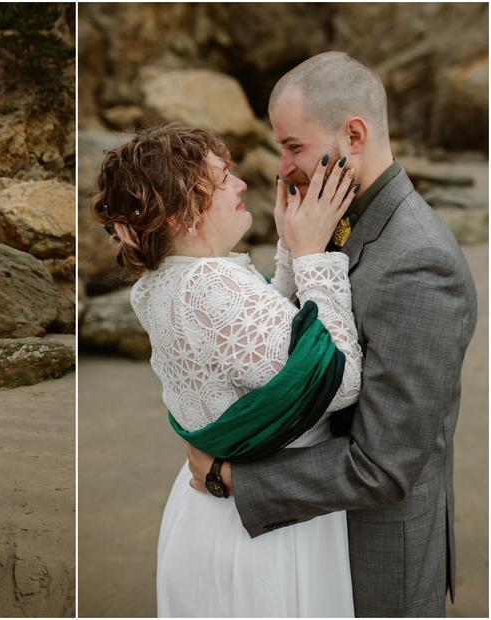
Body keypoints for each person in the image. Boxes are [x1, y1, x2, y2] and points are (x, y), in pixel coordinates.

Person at [187, 52, 478, 617]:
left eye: (294, 146)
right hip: (312, 547)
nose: (283, 168)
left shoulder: (419, 263)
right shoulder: (329, 220)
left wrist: (231, 479)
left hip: (376, 562)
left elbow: (384, 465)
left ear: (353, 134)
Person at [91, 124, 363, 616]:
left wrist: (287, 247)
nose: (240, 185)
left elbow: (262, 350)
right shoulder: (213, 285)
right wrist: (313, 256)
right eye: (222, 179)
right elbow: (338, 382)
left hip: (209, 513)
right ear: (181, 210)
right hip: (268, 531)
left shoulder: (160, 283)